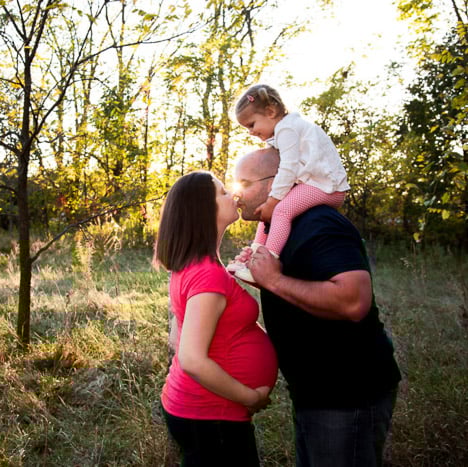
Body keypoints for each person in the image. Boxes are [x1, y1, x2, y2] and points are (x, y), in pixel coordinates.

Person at [233, 147, 402, 467]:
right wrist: (262, 278)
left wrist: (275, 282)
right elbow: (298, 283)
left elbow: (353, 301)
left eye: (244, 183)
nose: (236, 193)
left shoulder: (318, 223)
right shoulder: (279, 226)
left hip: (347, 393)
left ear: (277, 183)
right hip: (315, 391)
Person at [154, 171, 278, 466]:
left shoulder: (195, 265)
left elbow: (177, 336)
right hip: (210, 415)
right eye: (223, 192)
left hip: (201, 413)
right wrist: (250, 397)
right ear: (203, 210)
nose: (233, 194)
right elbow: (192, 359)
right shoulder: (207, 275)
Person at [228, 84, 350, 283]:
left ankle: (267, 263)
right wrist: (268, 204)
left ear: (270, 111)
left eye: (251, 124)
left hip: (327, 187)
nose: (250, 132)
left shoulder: (287, 129)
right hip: (312, 184)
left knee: (281, 210)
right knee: (267, 212)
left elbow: (288, 168)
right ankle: (253, 258)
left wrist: (273, 201)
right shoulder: (281, 133)